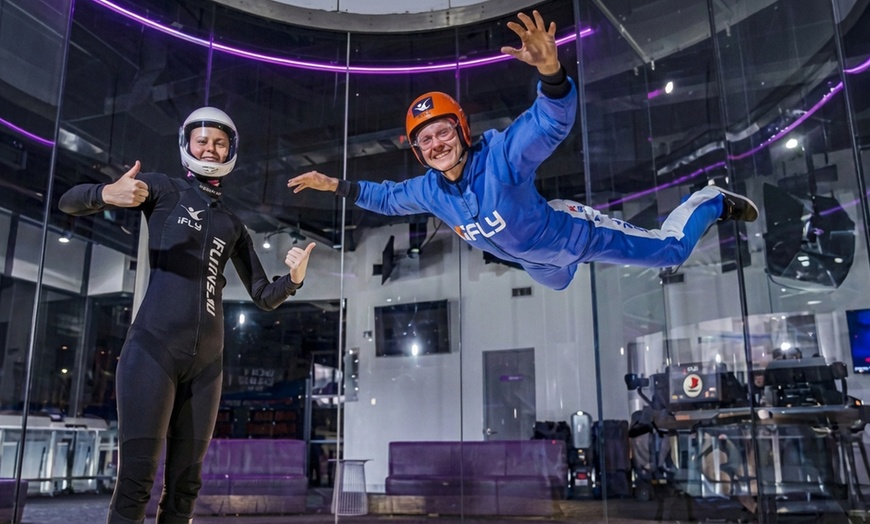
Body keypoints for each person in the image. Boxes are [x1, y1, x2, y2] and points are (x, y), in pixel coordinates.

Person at [287, 10, 757, 291]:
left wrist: (551, 72)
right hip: (540, 267)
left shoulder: (501, 159)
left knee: (670, 251)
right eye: (424, 140)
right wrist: (336, 185)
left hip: (575, 236)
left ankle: (709, 199)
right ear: (418, 151)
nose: (436, 143)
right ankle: (560, 264)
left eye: (443, 131)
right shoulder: (430, 191)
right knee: (561, 281)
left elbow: (549, 125)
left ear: (462, 130)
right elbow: (386, 198)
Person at [59, 107, 316, 524]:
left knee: (185, 491)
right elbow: (67, 202)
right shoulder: (163, 189)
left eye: (219, 142)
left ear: (230, 149)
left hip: (207, 367)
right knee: (136, 482)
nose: (211, 149)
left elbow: (264, 297)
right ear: (187, 146)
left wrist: (294, 279)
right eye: (203, 140)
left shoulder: (234, 225)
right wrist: (105, 194)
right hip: (152, 352)